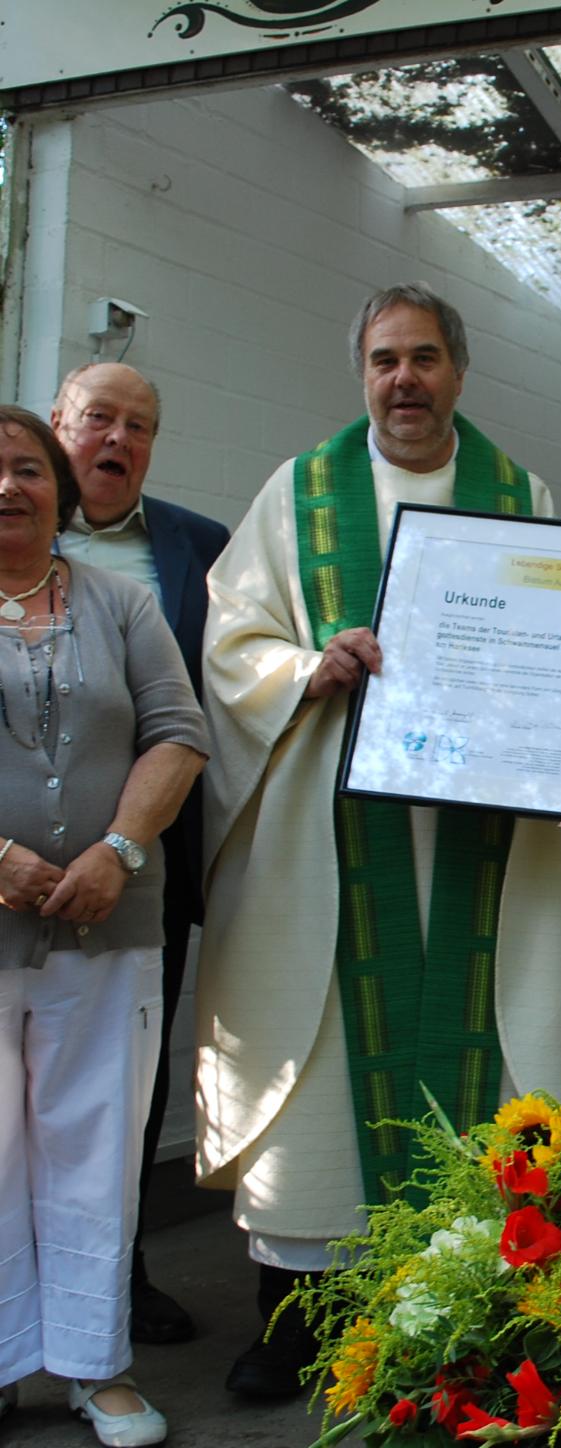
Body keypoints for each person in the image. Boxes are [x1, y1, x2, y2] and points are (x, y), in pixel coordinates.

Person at [199, 283, 561, 1399]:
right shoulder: (298, 493)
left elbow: (557, 644)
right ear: (361, 372)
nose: (404, 379)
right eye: (384, 359)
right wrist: (306, 667)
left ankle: (477, 1310)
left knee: (482, 1048)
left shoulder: (519, 495)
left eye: (424, 357)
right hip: (334, 836)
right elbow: (233, 638)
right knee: (324, 1067)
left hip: (479, 840)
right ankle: (294, 1322)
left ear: (458, 372)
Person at [0, 407, 208, 1445]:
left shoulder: (123, 602)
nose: (8, 486)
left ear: (61, 486)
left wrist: (118, 848)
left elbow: (178, 732)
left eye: (27, 468)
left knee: (93, 1146)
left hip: (108, 921)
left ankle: (97, 1365)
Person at [51, 362, 230, 1346]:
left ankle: (117, 1272)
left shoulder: (198, 547)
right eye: (98, 418)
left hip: (138, 866)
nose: (117, 439)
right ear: (55, 423)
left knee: (126, 1077)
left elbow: (219, 699)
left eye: (140, 426)